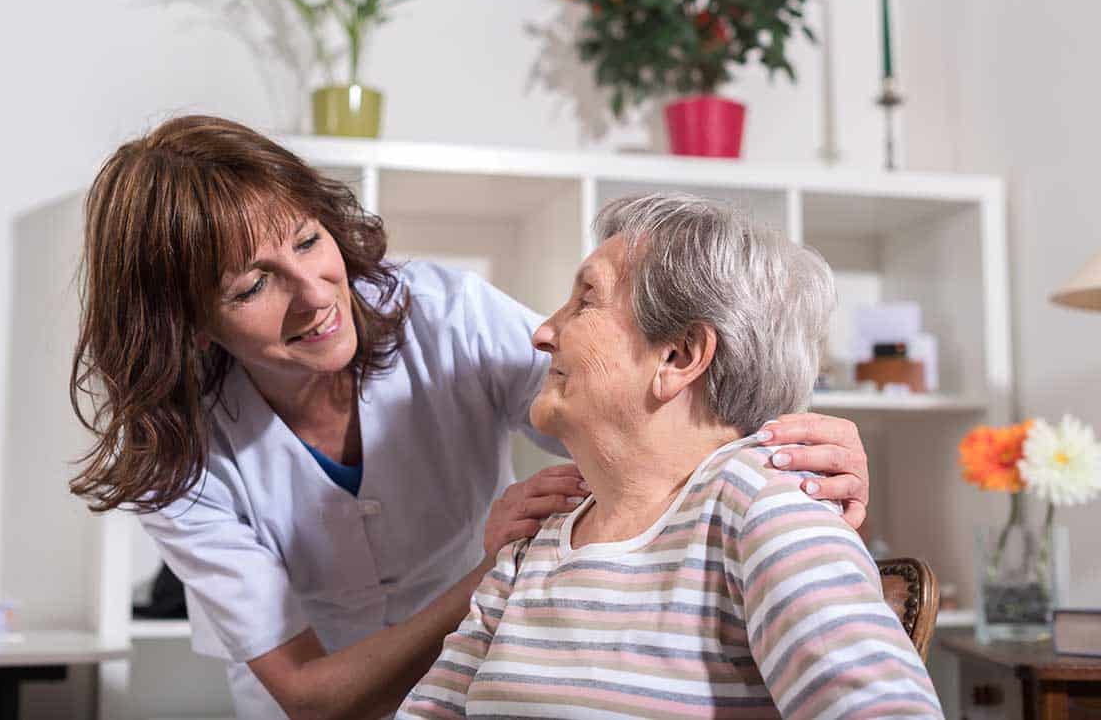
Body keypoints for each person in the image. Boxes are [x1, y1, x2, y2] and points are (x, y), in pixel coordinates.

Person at [70, 116, 875, 720]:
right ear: (184, 323)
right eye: (252, 287)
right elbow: (311, 695)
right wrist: (498, 571)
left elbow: (639, 406)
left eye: (310, 241)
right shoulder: (177, 458)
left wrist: (794, 440)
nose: (319, 294)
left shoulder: (444, 317)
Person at [399, 194, 941, 719]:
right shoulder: (541, 534)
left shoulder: (762, 509)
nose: (542, 334)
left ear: (678, 356)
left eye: (585, 300)